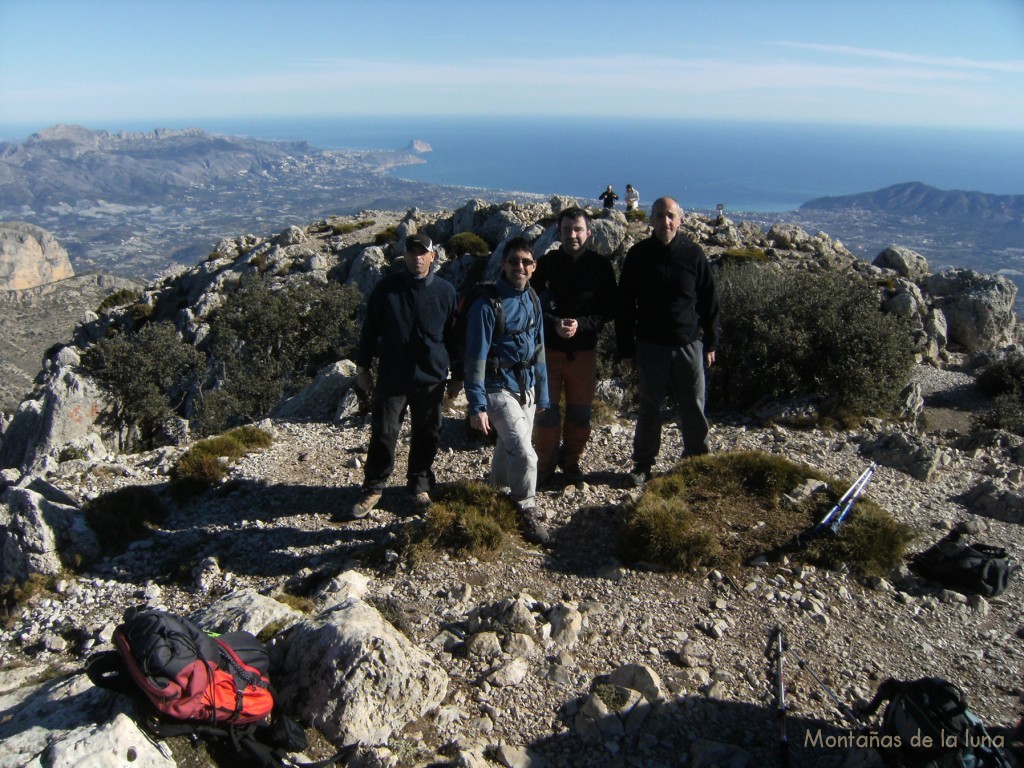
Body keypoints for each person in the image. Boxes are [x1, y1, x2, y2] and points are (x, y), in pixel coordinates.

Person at [350, 233, 458, 518]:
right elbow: (370, 331)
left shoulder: (446, 291)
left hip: (432, 378)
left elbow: (454, 336)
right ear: (405, 256)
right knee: (385, 432)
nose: (417, 257)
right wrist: (362, 369)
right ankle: (373, 487)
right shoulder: (387, 289)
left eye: (423, 253)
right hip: (393, 376)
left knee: (428, 432)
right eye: (412, 253)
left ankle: (419, 483)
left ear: (433, 256)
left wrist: (458, 375)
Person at [616, 196, 720, 486]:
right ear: (651, 220)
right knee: (650, 408)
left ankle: (697, 459)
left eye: (671, 216)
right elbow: (624, 306)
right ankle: (643, 464)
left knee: (694, 406)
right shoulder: (638, 255)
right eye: (660, 216)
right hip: (650, 347)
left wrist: (711, 343)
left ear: (680, 220)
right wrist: (626, 349)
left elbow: (710, 302)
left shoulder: (693, 254)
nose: (666, 221)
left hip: (689, 345)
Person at [464, 237, 551, 543]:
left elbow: (539, 347)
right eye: (514, 261)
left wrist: (543, 393)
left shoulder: (533, 299)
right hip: (497, 387)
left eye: (527, 262)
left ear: (534, 267)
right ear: (503, 264)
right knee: (526, 454)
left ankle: (495, 492)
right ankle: (525, 509)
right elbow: (474, 358)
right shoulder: (487, 306)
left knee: (509, 445)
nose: (520, 267)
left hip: (526, 387)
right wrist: (476, 406)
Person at [532, 207, 617, 485]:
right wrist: (554, 323)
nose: (573, 235)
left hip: (584, 353)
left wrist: (581, 325)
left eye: (578, 229)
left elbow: (608, 309)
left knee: (580, 413)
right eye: (567, 229)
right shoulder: (547, 264)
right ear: (559, 233)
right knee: (546, 414)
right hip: (549, 353)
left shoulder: (601, 267)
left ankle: (571, 463)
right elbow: (532, 304)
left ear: (589, 232)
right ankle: (544, 465)